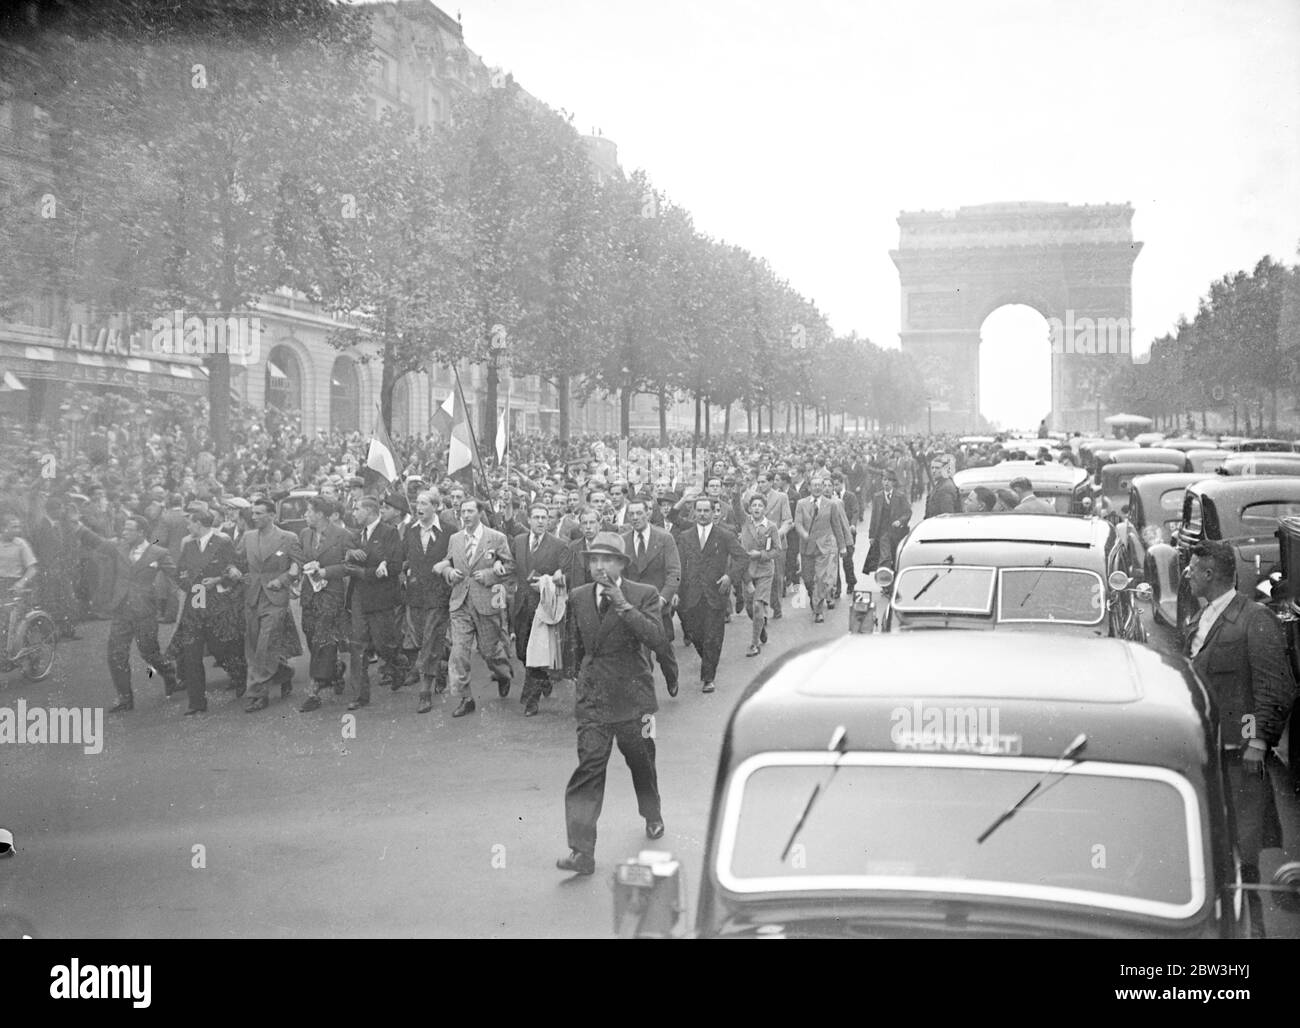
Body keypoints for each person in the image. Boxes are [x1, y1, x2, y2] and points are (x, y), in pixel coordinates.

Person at [1185, 540, 1296, 937]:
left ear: (1210, 574)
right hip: (1210, 755)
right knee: (1212, 851)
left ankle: (1255, 932)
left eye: (1193, 569)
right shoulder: (1203, 617)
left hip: (1239, 761)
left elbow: (1277, 687)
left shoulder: (1254, 619)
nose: (1187, 575)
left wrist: (1259, 742)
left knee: (1242, 859)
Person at [556, 532, 667, 877]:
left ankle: (652, 814)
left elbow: (657, 639)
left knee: (642, 762)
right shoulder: (578, 596)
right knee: (588, 769)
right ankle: (581, 851)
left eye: (606, 559)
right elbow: (574, 643)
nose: (599, 566)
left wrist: (623, 605)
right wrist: (579, 679)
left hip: (635, 698)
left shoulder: (643, 594)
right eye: (593, 560)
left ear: (621, 564)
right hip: (594, 699)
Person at [72, 513, 180, 712]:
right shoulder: (118, 547)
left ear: (141, 532)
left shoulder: (159, 552)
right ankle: (125, 699)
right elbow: (99, 542)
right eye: (124, 529)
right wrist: (81, 528)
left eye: (130, 530)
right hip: (121, 609)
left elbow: (176, 574)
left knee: (149, 653)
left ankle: (169, 673)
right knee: (115, 655)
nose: (125, 533)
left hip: (145, 611)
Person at [436, 497, 516, 719]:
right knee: (459, 652)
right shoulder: (455, 538)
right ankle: (465, 698)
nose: (466, 515)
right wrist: (448, 573)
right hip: (460, 601)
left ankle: (503, 674)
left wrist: (490, 574)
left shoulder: (496, 538)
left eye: (471, 511)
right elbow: (448, 561)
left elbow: (510, 565)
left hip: (486, 602)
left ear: (480, 513)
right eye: (463, 511)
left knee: (489, 651)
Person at [233, 496, 304, 712]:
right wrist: (233, 571)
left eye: (259, 513)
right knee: (254, 645)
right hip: (253, 596)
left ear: (272, 515)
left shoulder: (288, 537)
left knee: (265, 643)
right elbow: (236, 560)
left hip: (276, 597)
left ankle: (258, 693)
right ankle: (284, 672)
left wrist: (283, 580)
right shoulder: (248, 536)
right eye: (253, 513)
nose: (254, 517)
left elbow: (297, 565)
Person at [173, 507, 246, 715]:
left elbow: (235, 568)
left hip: (217, 602)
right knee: (192, 653)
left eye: (190, 523)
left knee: (220, 647)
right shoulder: (188, 546)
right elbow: (178, 573)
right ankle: (196, 702)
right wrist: (189, 585)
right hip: (196, 601)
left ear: (199, 524)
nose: (188, 526)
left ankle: (240, 675)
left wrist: (217, 580)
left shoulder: (222, 542)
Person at [676, 496, 748, 692]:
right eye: (698, 511)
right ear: (694, 512)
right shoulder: (685, 536)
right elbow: (679, 567)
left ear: (713, 511)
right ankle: (707, 659)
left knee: (713, 637)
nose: (702, 514)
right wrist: (677, 592)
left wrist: (729, 576)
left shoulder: (724, 535)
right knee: (695, 634)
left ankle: (708, 677)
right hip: (692, 595)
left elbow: (742, 558)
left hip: (716, 593)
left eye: (706, 511)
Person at [341, 495, 403, 710]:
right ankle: (359, 695)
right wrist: (349, 555)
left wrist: (364, 572)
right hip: (358, 596)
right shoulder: (357, 535)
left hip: (380, 597)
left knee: (383, 644)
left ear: (370, 511)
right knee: (357, 645)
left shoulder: (389, 532)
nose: (354, 513)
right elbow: (344, 555)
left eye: (357, 509)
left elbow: (395, 566)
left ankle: (397, 665)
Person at [511, 502, 571, 717]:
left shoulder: (559, 545)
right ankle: (544, 679)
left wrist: (554, 580)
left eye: (544, 517)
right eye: (535, 517)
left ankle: (531, 699)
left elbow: (565, 575)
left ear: (548, 520)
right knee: (521, 651)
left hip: (543, 607)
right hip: (521, 606)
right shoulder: (518, 542)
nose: (540, 521)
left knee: (534, 653)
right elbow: (511, 566)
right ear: (528, 520)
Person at [402, 489, 459, 714]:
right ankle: (441, 664)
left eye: (424, 503)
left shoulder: (449, 532)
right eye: (417, 503)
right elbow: (405, 556)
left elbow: (456, 559)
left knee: (429, 638)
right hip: (415, 594)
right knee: (419, 638)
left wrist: (445, 566)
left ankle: (425, 691)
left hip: (438, 593)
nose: (419, 507)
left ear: (435, 507)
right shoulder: (410, 530)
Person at [620, 497, 681, 696]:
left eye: (639, 513)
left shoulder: (664, 538)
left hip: (657, 606)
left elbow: (674, 573)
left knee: (663, 650)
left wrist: (663, 598)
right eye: (631, 514)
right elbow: (619, 574)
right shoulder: (623, 540)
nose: (635, 518)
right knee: (641, 654)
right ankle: (645, 693)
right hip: (633, 607)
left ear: (648, 513)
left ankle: (671, 676)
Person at [296, 497, 352, 712]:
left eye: (309, 511)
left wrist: (326, 571)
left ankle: (314, 690)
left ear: (320, 514)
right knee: (310, 635)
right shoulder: (305, 534)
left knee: (322, 639)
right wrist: (302, 569)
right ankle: (336, 670)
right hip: (310, 593)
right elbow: (301, 559)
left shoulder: (342, 535)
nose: (305, 515)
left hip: (331, 595)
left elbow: (349, 565)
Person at [794, 477, 849, 624]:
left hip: (824, 548)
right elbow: (797, 523)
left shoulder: (831, 504)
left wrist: (842, 546)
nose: (818, 488)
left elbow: (837, 526)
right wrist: (804, 534)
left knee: (820, 579)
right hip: (806, 548)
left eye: (820, 485)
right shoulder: (801, 504)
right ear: (809, 487)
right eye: (815, 485)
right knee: (807, 580)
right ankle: (814, 597)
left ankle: (818, 610)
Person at [739, 495, 778, 656]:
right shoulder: (745, 521)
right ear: (749, 509)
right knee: (750, 608)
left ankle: (754, 644)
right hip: (747, 571)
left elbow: (776, 550)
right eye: (753, 505)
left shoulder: (771, 527)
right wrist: (737, 491)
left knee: (757, 606)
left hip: (764, 570)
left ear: (765, 508)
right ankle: (760, 629)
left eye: (760, 505)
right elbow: (736, 506)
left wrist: (761, 554)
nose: (756, 508)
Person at [864, 469, 912, 576]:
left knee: (896, 558)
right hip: (882, 534)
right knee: (885, 558)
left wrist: (900, 521)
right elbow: (874, 517)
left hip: (897, 533)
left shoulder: (900, 496)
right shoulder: (877, 497)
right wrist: (871, 535)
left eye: (889, 480)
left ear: (893, 482)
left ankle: (895, 581)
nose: (886, 483)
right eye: (884, 480)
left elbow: (908, 512)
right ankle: (885, 584)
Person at [924, 454, 962, 518]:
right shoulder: (941, 483)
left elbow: (947, 515)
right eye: (932, 468)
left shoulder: (945, 488)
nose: (934, 471)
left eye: (937, 468)